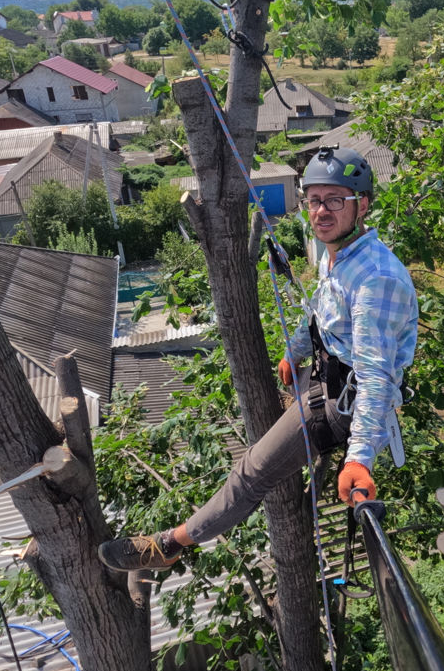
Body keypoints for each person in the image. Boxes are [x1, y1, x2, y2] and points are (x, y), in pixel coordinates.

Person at [99, 146, 418, 571]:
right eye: (314, 200)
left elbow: (376, 375)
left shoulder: (376, 278)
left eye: (335, 200)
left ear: (363, 205)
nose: (321, 211)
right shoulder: (341, 254)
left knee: (252, 471)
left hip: (344, 401)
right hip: (328, 373)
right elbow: (325, 315)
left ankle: (169, 545)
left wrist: (359, 457)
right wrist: (296, 352)